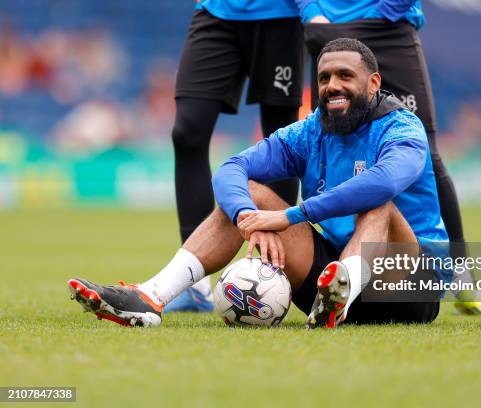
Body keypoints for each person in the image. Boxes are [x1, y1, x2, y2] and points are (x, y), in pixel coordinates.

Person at [67, 39, 447, 328]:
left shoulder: (401, 128)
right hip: (324, 280)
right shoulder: (311, 131)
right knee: (250, 193)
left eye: (345, 76)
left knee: (377, 201)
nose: (333, 85)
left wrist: (290, 216)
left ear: (373, 82)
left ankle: (344, 286)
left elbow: (384, 182)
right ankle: (150, 296)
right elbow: (231, 168)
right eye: (324, 77)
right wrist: (249, 218)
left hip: (406, 283)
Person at [295, 0, 481, 315]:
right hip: (325, 27)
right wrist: (311, 12)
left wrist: (378, 14)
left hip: (386, 25)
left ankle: (462, 280)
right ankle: (336, 272)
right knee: (327, 141)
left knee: (424, 150)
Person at [164, 0, 303, 312]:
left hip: (281, 13)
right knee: (188, 133)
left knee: (281, 139)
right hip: (217, 10)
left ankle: (276, 273)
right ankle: (193, 284)